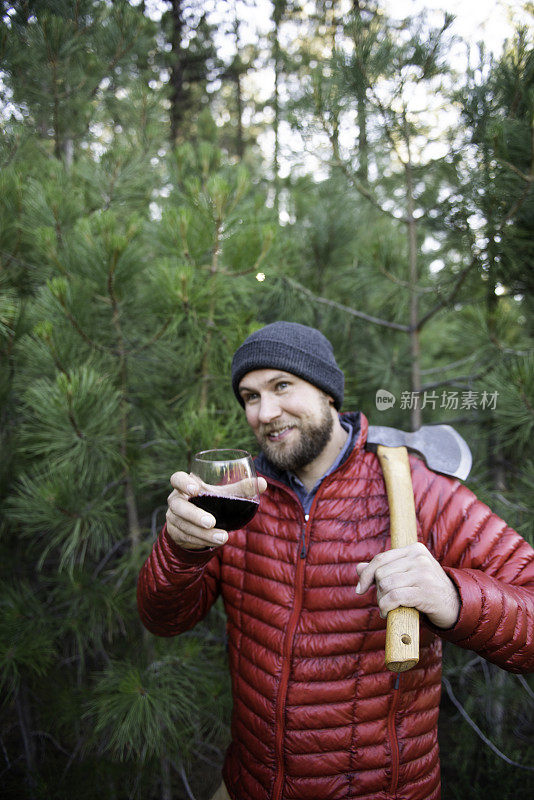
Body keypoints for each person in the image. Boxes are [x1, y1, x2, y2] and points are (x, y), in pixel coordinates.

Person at [137, 321, 534, 800]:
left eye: (282, 386)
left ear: (328, 393)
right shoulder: (235, 501)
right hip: (250, 784)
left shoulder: (415, 490)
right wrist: (179, 550)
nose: (265, 412)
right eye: (250, 396)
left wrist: (454, 597)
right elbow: (163, 619)